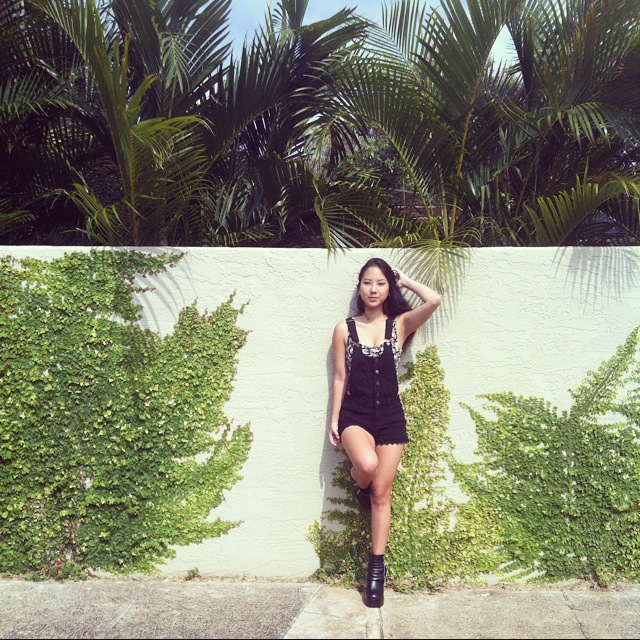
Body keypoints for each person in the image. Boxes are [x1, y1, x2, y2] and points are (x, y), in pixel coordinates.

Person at [329, 257, 442, 607]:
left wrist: (405, 280)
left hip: (391, 417)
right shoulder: (345, 328)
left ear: (388, 288)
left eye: (380, 283)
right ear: (359, 287)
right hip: (356, 414)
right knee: (367, 466)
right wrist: (334, 419)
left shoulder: (400, 325)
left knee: (381, 494)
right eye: (367, 282)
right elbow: (340, 377)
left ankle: (376, 571)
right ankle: (358, 480)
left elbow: (434, 300)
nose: (373, 289)